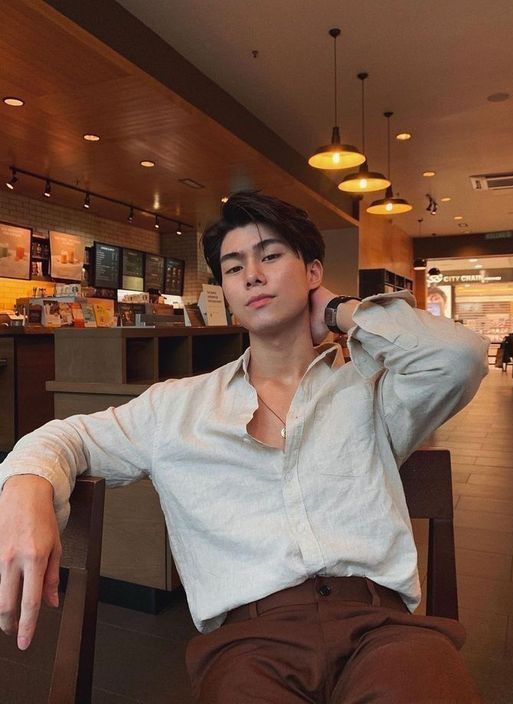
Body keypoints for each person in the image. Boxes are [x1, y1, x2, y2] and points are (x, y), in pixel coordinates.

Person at [0, 191, 488, 703]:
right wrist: (27, 484)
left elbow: (458, 356)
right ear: (227, 292)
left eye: (271, 256)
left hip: (382, 631)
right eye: (234, 268)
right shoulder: (175, 406)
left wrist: (342, 311)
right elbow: (67, 437)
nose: (252, 275)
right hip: (249, 645)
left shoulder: (371, 390)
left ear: (313, 272)